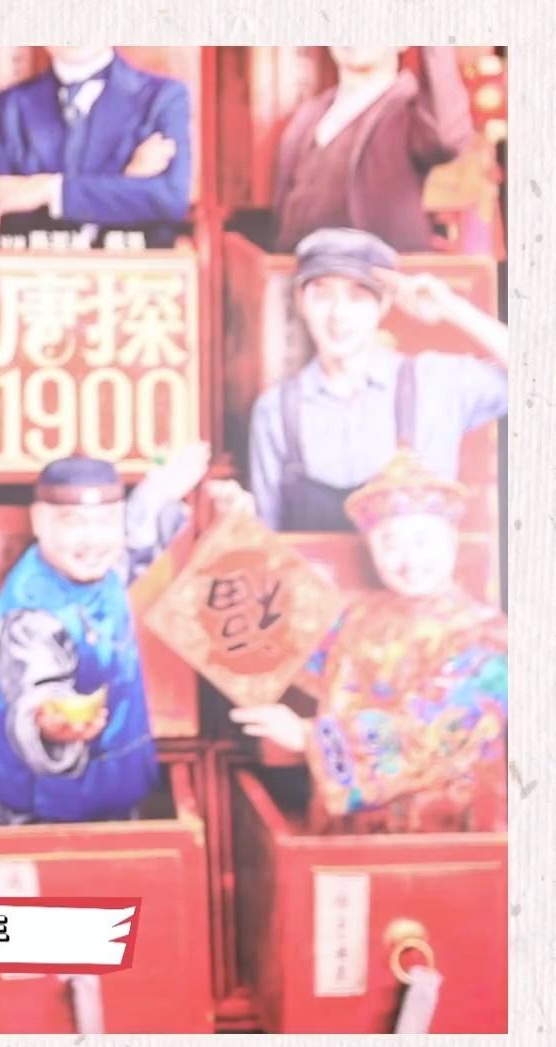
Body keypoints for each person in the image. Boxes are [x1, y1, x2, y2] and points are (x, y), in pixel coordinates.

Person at [234, 452, 506, 834]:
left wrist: (308, 737)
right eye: (390, 544)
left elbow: (433, 734)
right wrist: (240, 534)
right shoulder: (359, 615)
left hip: (442, 834)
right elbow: (288, 644)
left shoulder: (486, 636)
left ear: (451, 543)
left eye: (423, 541)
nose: (409, 560)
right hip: (346, 828)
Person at [246, 227, 508, 532]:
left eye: (357, 295)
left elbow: (540, 378)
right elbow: (265, 537)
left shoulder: (435, 382)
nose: (338, 314)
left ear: (382, 304)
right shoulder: (275, 410)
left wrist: (452, 308)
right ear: (300, 300)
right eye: (322, 294)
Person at [0, 456, 162, 826]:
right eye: (73, 522)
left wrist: (163, 492)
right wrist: (50, 725)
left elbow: (137, 548)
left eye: (106, 521)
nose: (92, 539)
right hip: (42, 809)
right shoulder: (30, 610)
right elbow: (37, 690)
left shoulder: (105, 567)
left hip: (115, 786)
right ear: (39, 521)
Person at [0, 46, 192, 247]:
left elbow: (169, 200)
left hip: (133, 275)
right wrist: (125, 183)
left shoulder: (163, 97)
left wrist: (47, 190)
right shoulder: (10, 105)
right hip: (34, 274)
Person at [273, 47, 475, 254]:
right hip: (302, 266)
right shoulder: (308, 114)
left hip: (381, 269)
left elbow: (446, 138)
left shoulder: (410, 108)